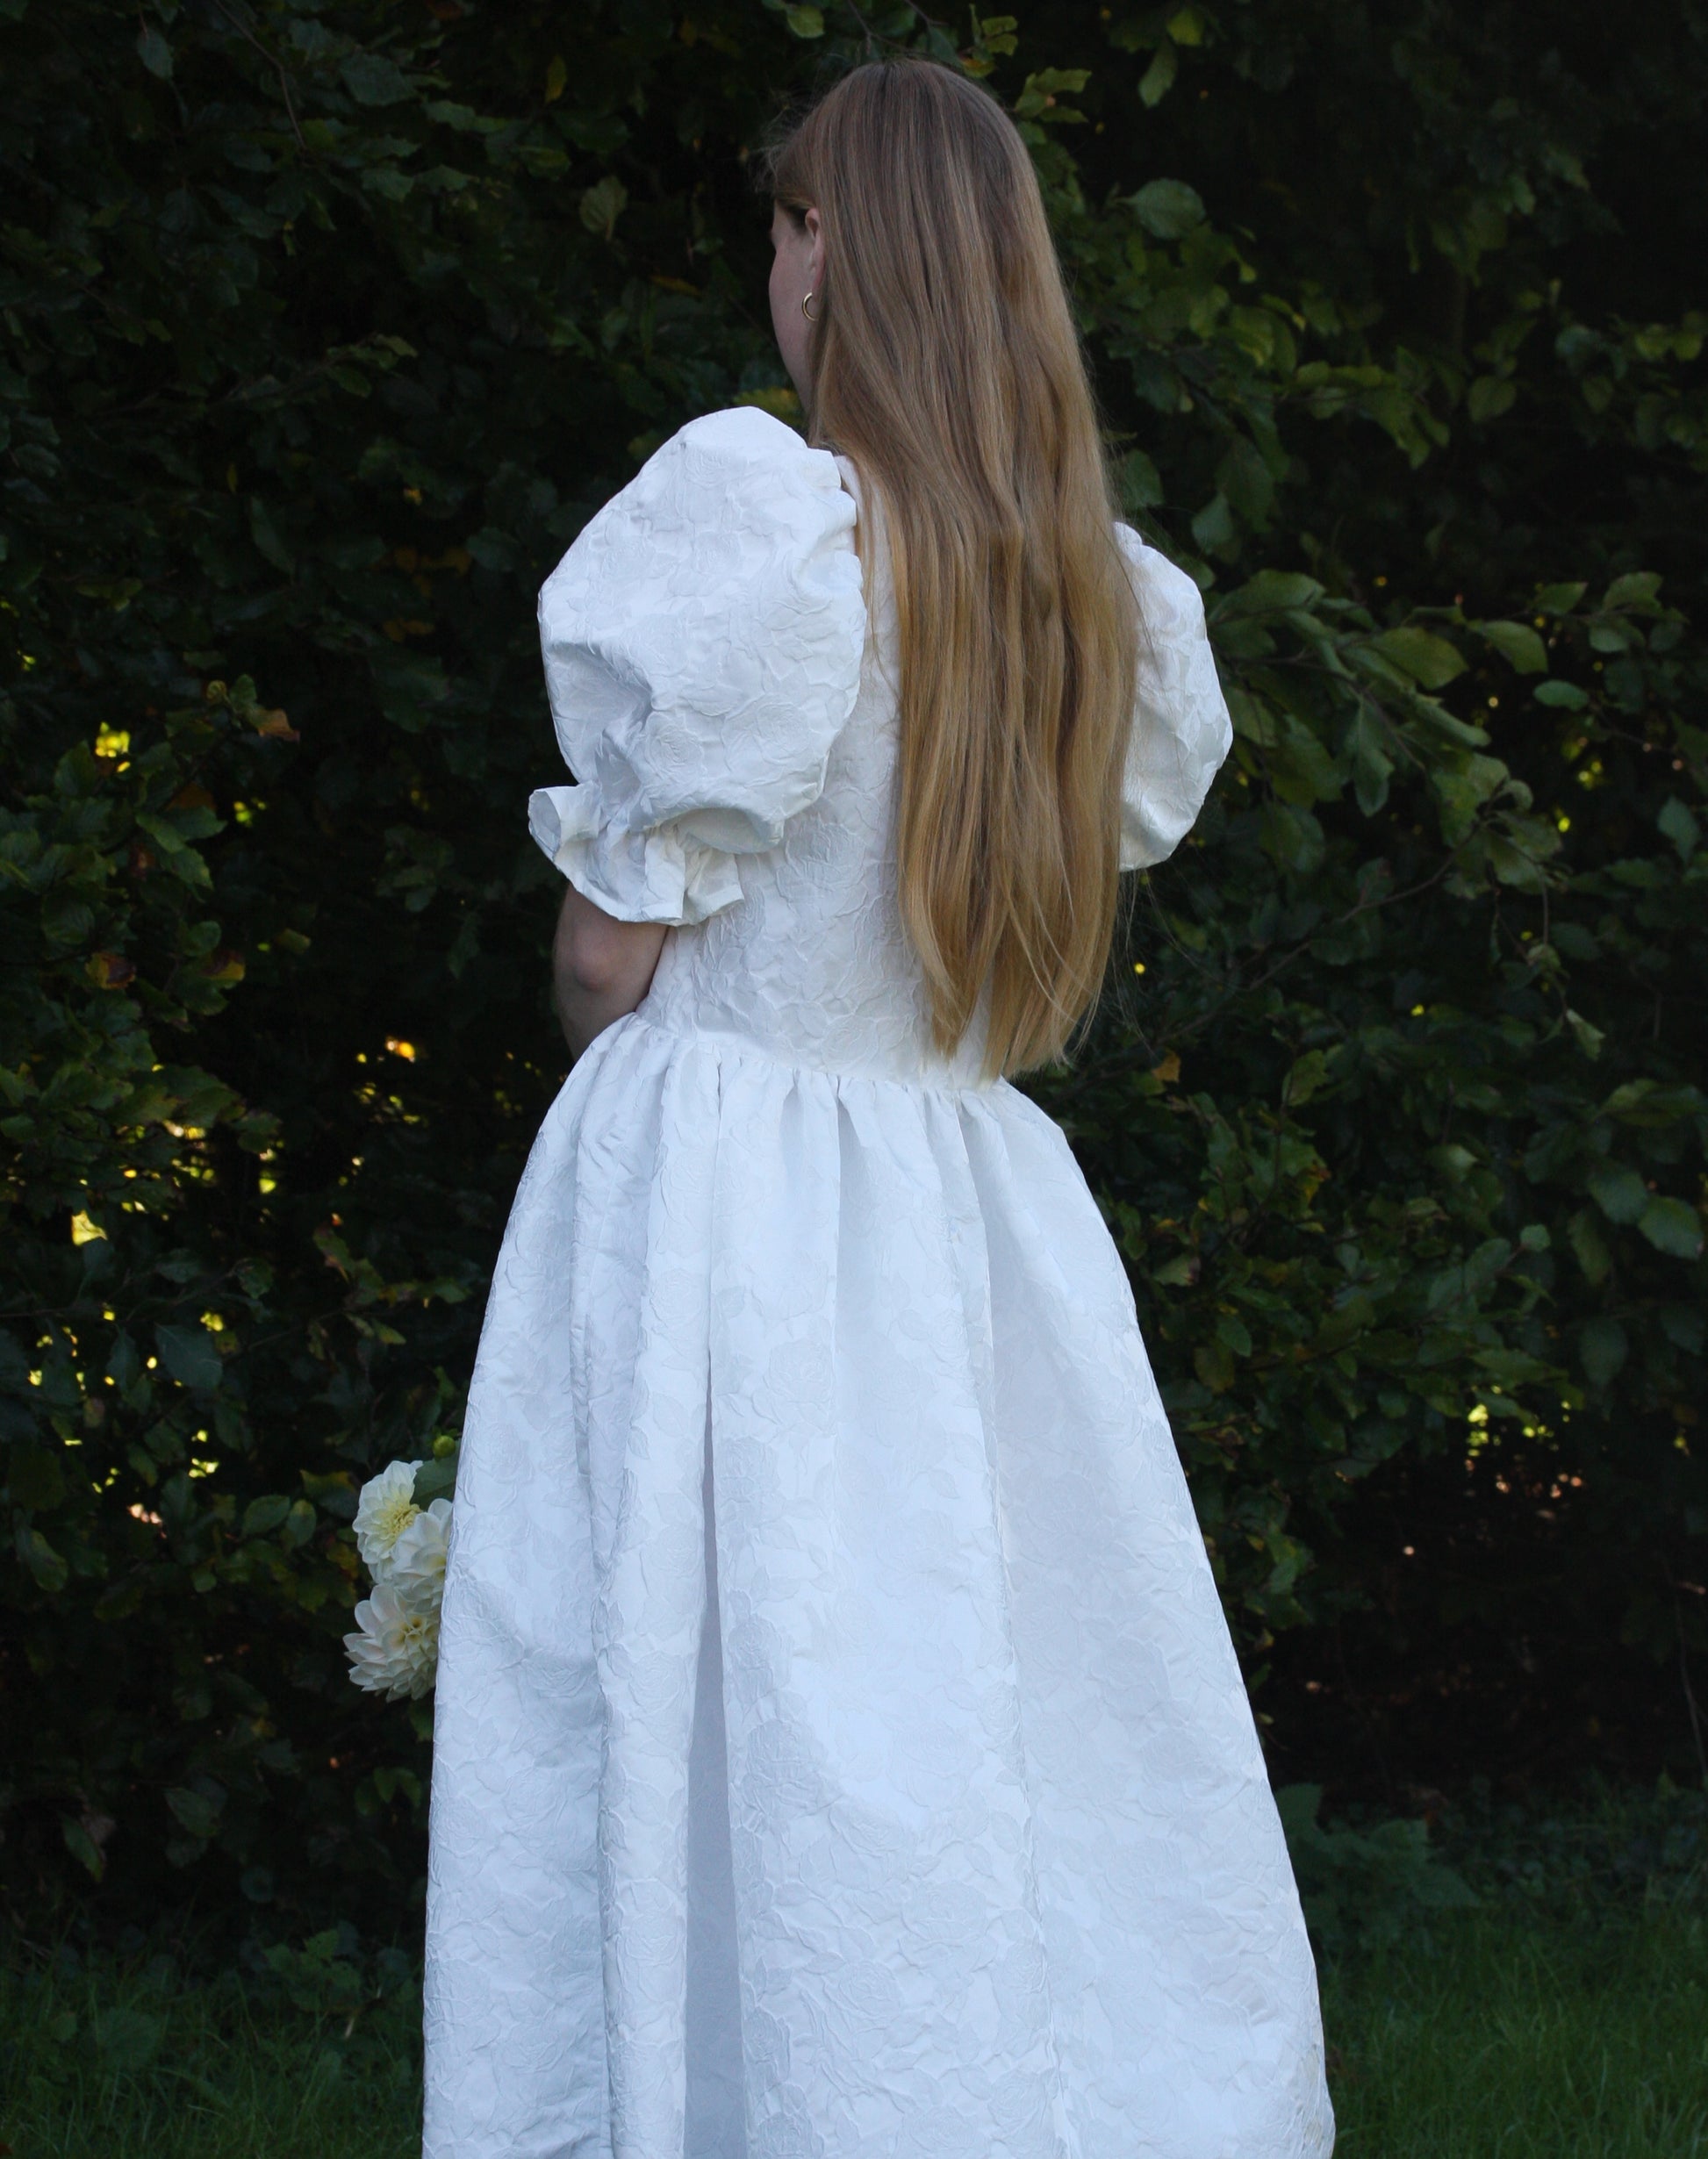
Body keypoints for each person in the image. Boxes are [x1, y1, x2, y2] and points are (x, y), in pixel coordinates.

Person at [423, 55, 1332, 2159]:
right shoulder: (1073, 592)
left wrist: (610, 1065)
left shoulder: (767, 529)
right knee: (965, 1681)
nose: (778, 254)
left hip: (729, 1189)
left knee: (690, 1679)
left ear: (844, 259)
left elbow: (610, 943)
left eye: (793, 218)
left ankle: (710, 2091)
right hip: (960, 1204)